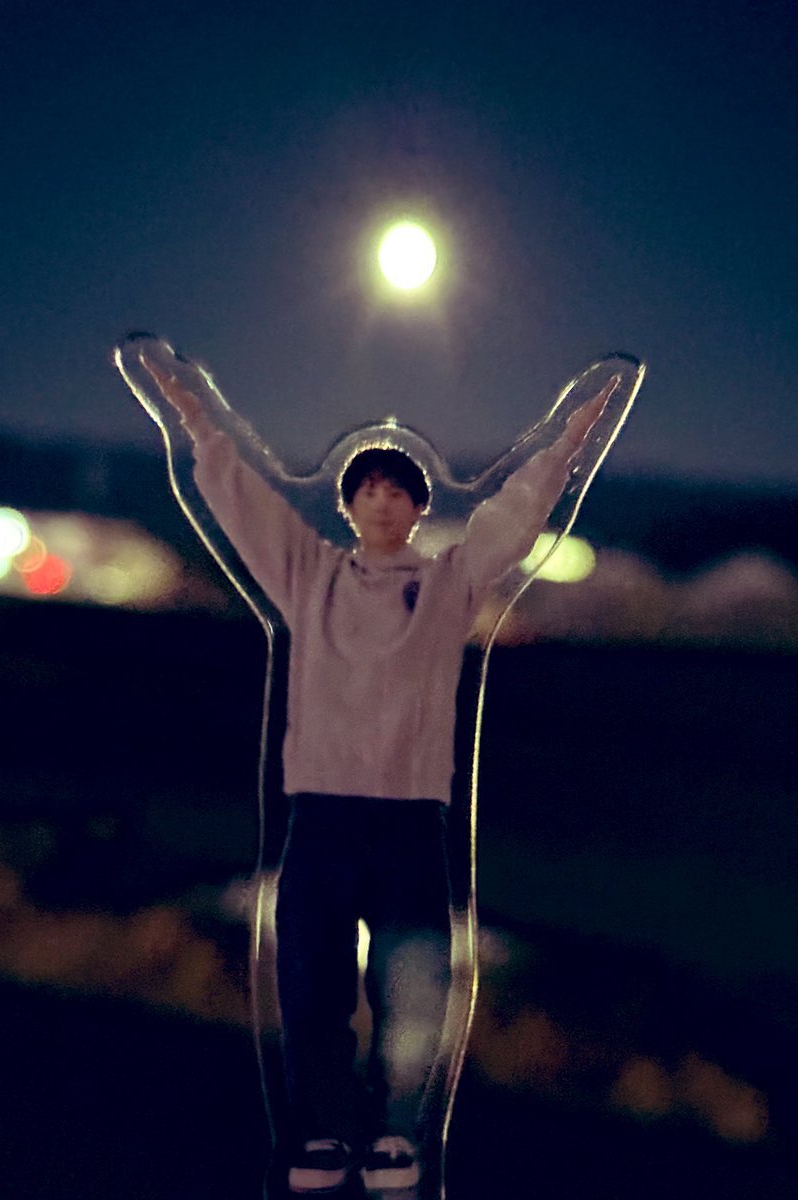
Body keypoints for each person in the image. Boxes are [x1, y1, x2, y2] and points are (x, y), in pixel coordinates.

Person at [146, 360, 612, 1195]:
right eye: (369, 490)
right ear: (348, 503)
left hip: (409, 818)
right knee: (311, 982)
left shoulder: (447, 585)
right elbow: (243, 502)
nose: (384, 503)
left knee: (414, 983)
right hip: (321, 812)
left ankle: (398, 1134)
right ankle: (322, 1134)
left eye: (399, 492)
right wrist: (193, 416)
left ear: (420, 507)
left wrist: (571, 439)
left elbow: (514, 515)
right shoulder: (309, 575)